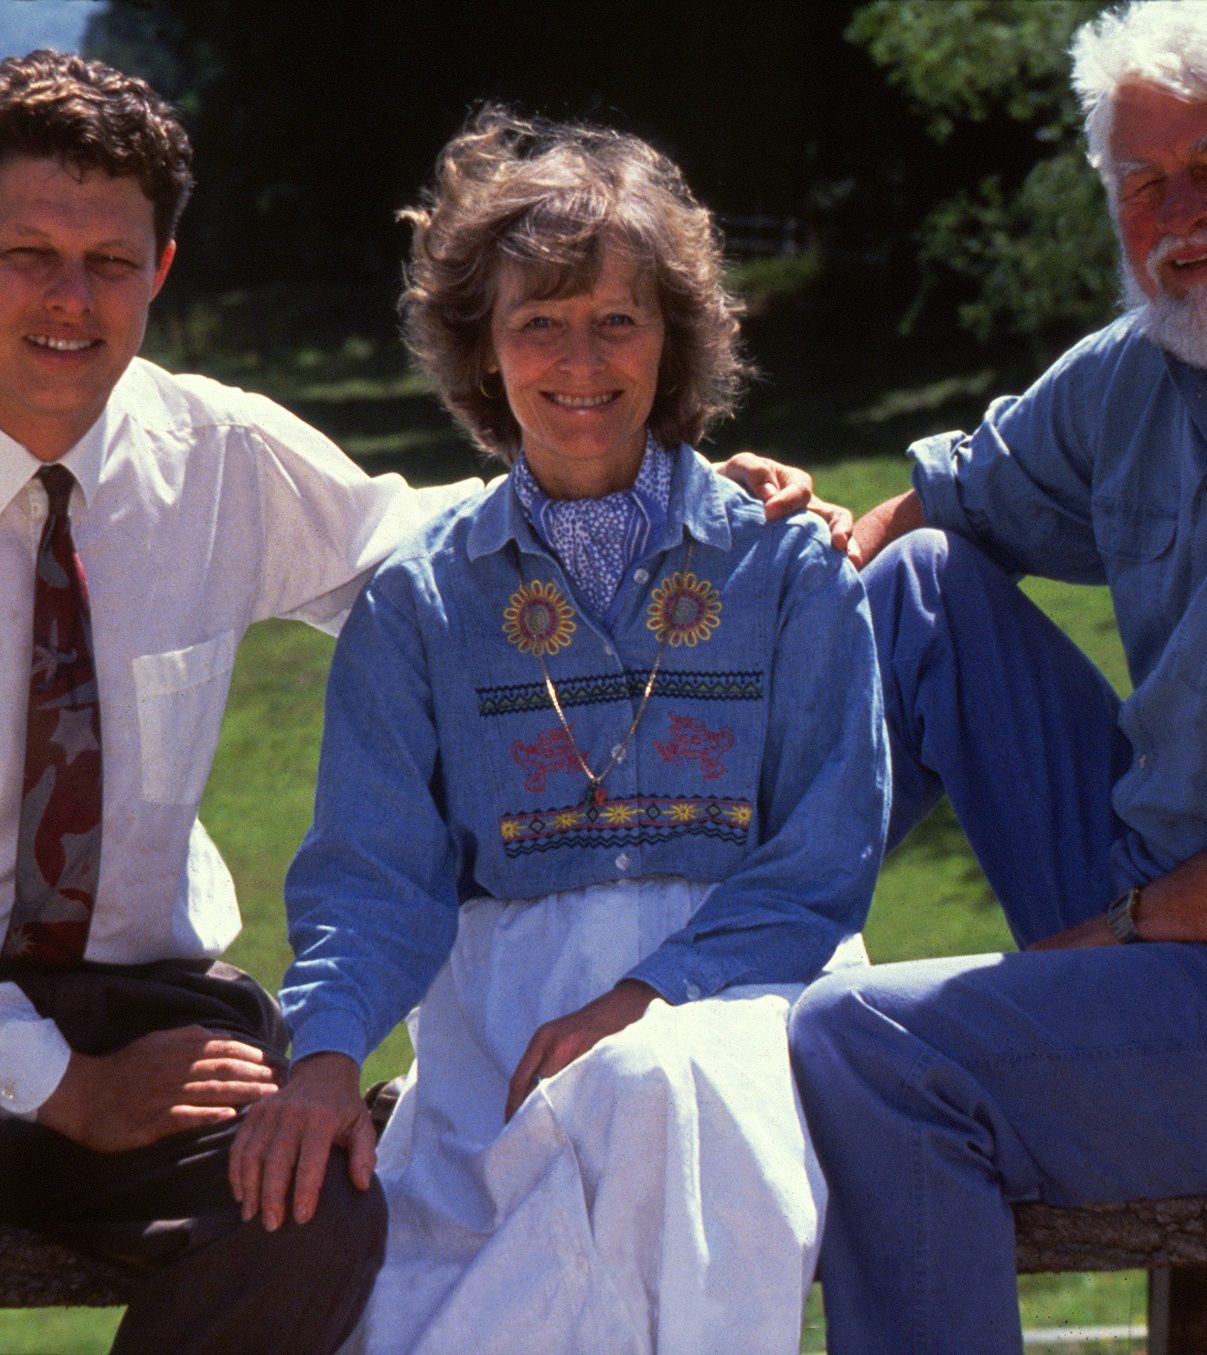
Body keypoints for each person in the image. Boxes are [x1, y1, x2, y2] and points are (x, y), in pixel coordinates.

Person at [0, 52, 830, 1355]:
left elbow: (416, 546)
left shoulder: (214, 453)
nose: (68, 296)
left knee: (311, 1205)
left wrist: (664, 486)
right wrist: (67, 1087)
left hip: (149, 1005)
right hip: (57, 1048)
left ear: (159, 273)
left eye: (110, 261)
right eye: (26, 252)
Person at [229, 108, 889, 1355]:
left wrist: (649, 993)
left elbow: (824, 857)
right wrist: (320, 1051)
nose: (578, 358)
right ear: (481, 350)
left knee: (652, 1088)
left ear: (672, 337)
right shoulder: (421, 599)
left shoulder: (789, 566)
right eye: (538, 320)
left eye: (615, 318)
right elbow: (374, 878)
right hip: (504, 1023)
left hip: (748, 988)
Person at [787, 2, 1207, 1352]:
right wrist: (797, 533)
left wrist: (1121, 932)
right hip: (1161, 894)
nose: (1182, 212)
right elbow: (931, 511)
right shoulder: (1143, 376)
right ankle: (697, 958)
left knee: (869, 1048)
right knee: (922, 593)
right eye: (1143, 183)